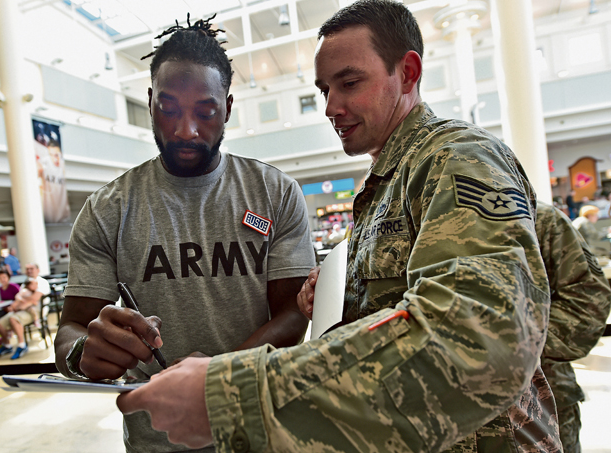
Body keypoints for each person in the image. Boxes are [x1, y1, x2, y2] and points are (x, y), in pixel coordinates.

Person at [116, 2, 559, 451]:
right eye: (324, 89)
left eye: (349, 83)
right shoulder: (389, 183)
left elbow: (480, 335)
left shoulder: (457, 158)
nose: (331, 107)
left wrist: (231, 394)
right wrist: (336, 294)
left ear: (407, 72)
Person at [54, 15, 315, 453]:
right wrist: (84, 353)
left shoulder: (274, 193)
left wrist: (215, 376)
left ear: (228, 108)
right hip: (157, 439)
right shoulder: (108, 209)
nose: (185, 130)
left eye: (205, 112)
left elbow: (293, 315)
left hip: (257, 429)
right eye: (168, 109)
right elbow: (70, 332)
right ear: (151, 100)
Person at [535, 201, 611, 452]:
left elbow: (590, 302)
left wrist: (508, 348)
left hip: (544, 401)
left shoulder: (536, 216)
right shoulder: (413, 220)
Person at [0, 263, 50, 359]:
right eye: (27, 269)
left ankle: (22, 345)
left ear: (38, 270)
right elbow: (20, 298)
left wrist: (22, 302)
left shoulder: (42, 282)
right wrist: (18, 305)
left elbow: (34, 299)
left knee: (13, 319)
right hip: (20, 310)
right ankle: (7, 346)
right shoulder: (25, 283)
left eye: (31, 268)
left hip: (35, 311)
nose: (29, 271)